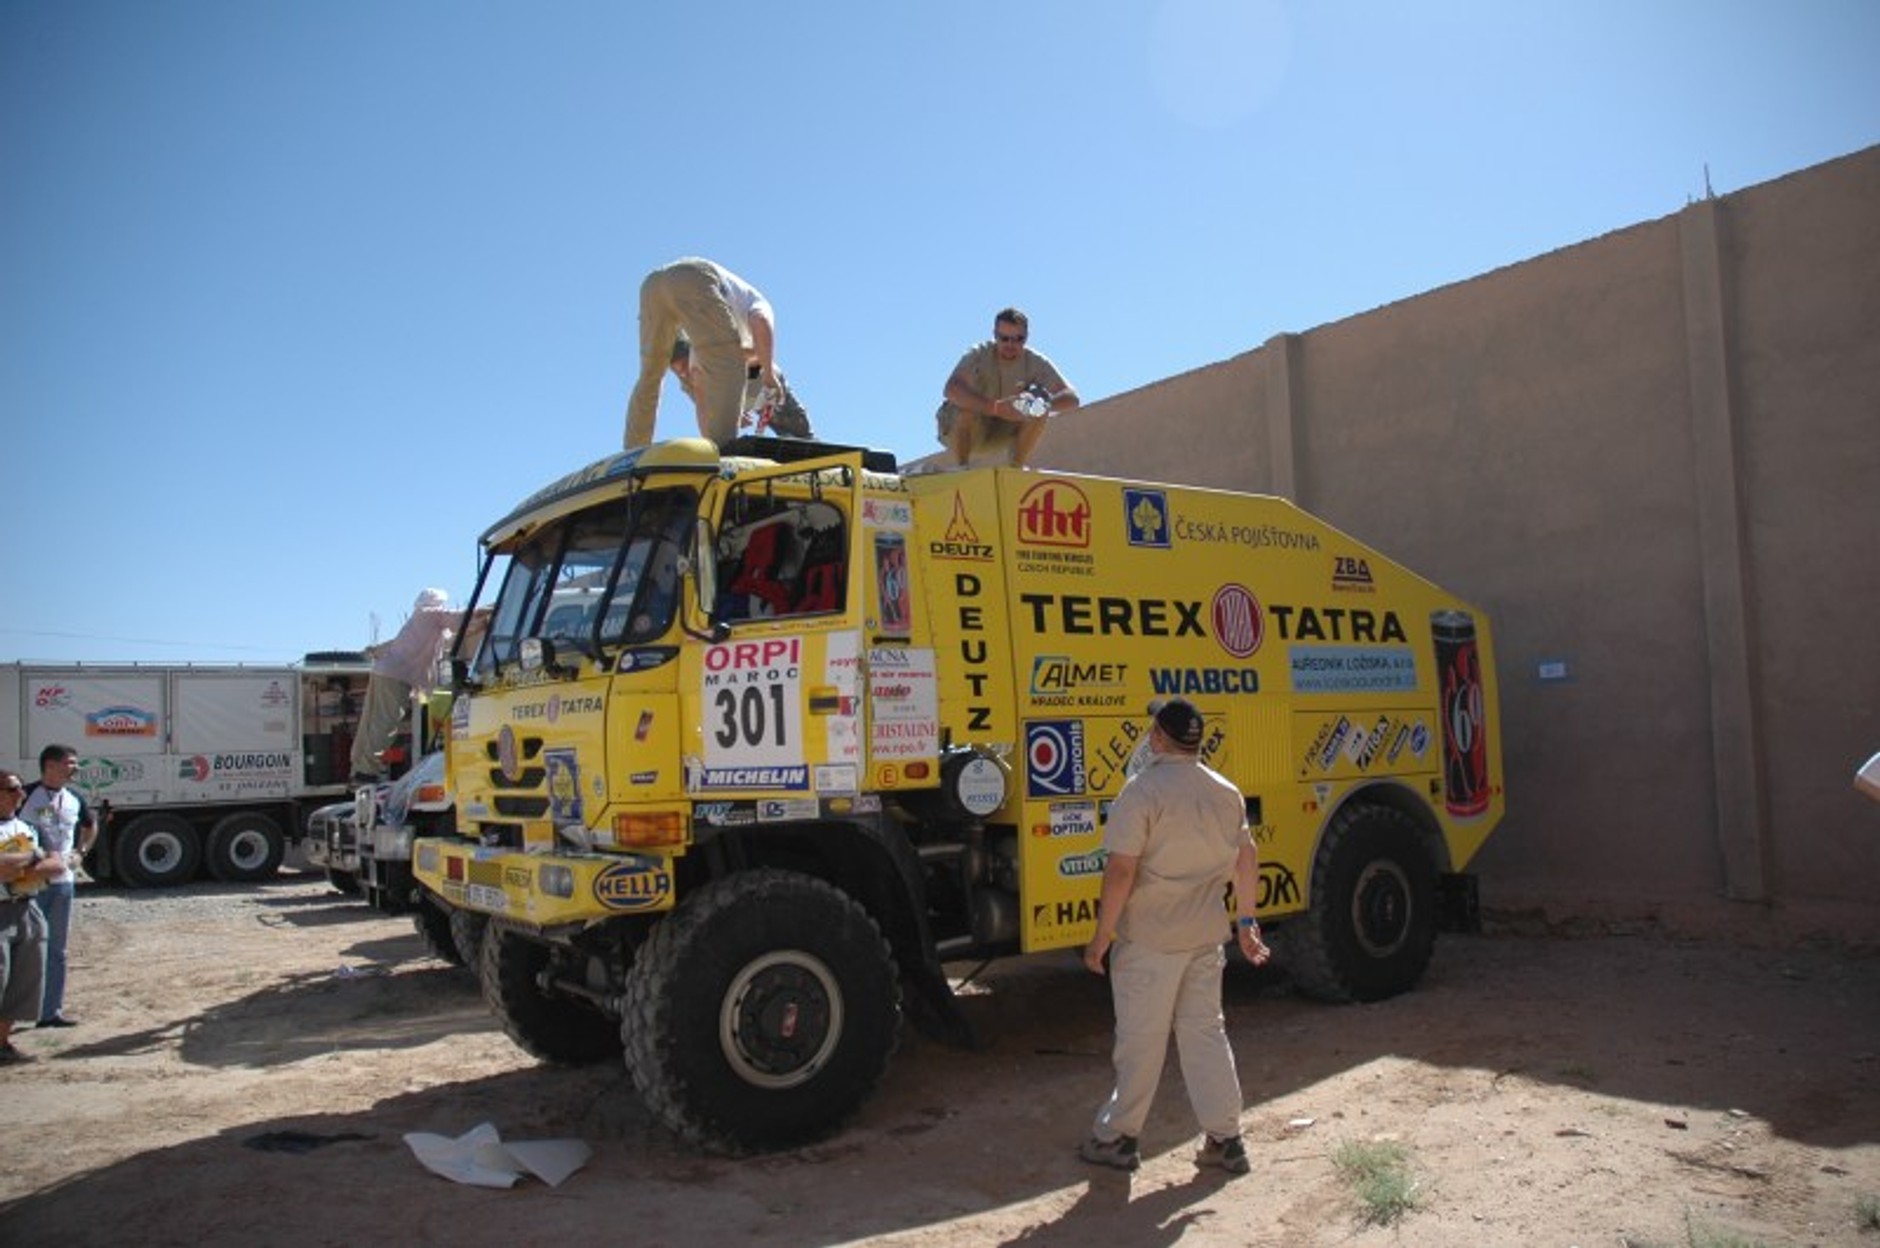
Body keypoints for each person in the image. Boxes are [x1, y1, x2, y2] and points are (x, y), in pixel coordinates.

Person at [1078, 697, 1269, 1175]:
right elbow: (1247, 857)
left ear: (1159, 738)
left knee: (1141, 1040)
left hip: (1150, 941)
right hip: (1205, 938)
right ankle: (1226, 1140)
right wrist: (1247, 924)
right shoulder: (1226, 791)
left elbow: (1121, 872)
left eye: (1152, 729)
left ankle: (1118, 1137)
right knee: (1206, 1034)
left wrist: (1101, 937)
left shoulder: (1141, 793)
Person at [624, 258, 780, 449]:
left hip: (652, 286)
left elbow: (702, 397)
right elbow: (761, 321)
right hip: (695, 277)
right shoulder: (756, 303)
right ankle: (723, 450)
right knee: (726, 364)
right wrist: (770, 378)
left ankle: (632, 451)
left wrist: (739, 408)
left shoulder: (704, 341)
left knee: (650, 375)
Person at [936, 307, 1079, 470]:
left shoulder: (1034, 361)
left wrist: (1040, 405)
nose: (1011, 344)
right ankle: (961, 467)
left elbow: (1072, 397)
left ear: (1026, 338)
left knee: (1038, 407)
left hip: (1001, 431)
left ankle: (1015, 467)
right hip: (964, 431)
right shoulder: (978, 354)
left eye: (1018, 339)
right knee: (965, 406)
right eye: (1004, 338)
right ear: (995, 336)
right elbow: (951, 388)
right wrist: (995, 407)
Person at [20, 744, 95, 1029]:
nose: (75, 768)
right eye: (70, 763)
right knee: (25, 949)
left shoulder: (74, 798)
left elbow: (90, 825)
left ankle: (51, 1012)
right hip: (30, 885)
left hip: (63, 884)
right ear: (50, 765)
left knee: (58, 950)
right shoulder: (25, 795)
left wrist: (81, 852)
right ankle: (15, 1014)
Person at [350, 589, 457, 784]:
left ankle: (359, 769)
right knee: (385, 723)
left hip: (385, 672)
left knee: (371, 722)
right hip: (396, 676)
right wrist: (488, 612)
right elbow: (460, 620)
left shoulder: (417, 621)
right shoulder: (431, 615)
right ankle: (366, 772)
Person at [0, 768, 61, 1063]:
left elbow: (57, 864)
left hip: (26, 907)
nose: (20, 795)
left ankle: (2, 1042)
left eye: (20, 789)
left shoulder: (26, 828)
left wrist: (20, 865)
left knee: (24, 980)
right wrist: (31, 858)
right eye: (12, 790)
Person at [670, 335, 814, 439]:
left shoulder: (715, 353)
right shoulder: (688, 381)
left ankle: (803, 434)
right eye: (677, 371)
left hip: (762, 378)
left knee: (797, 428)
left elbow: (760, 354)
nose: (684, 373)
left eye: (684, 366)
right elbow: (704, 412)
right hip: (742, 394)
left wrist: (769, 375)